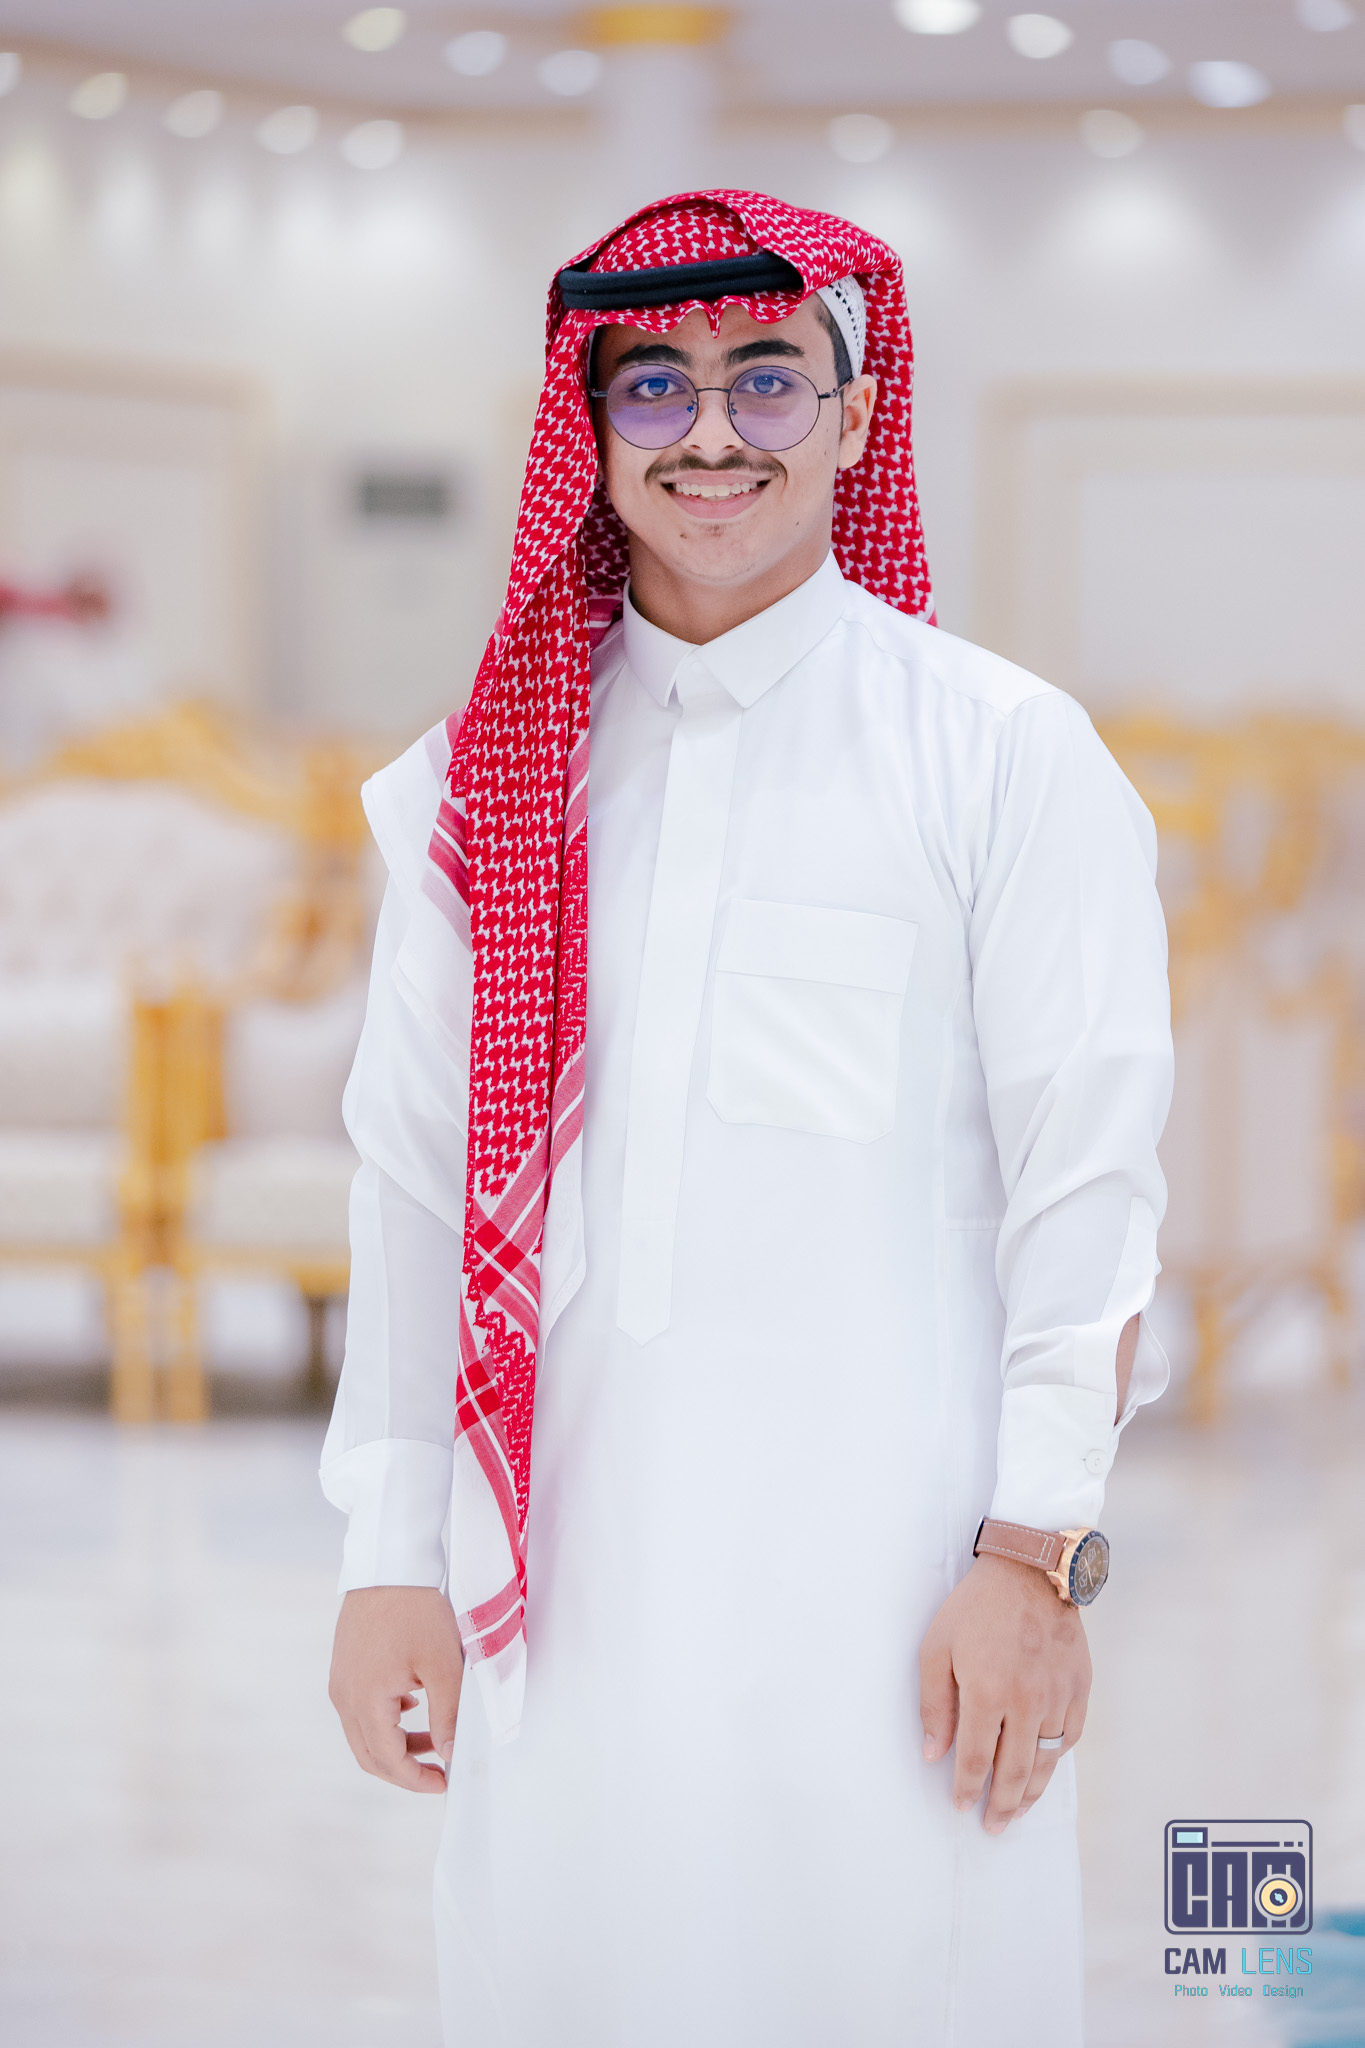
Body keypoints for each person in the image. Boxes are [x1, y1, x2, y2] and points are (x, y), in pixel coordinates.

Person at [321, 189, 1172, 2048]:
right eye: (655, 386)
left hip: (895, 1602)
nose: (710, 434)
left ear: (854, 416)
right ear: (590, 422)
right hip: (565, 1605)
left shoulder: (998, 752)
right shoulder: (484, 788)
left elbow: (1090, 1197)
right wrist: (389, 1552)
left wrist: (1033, 1562)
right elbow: (408, 1188)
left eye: (766, 380)